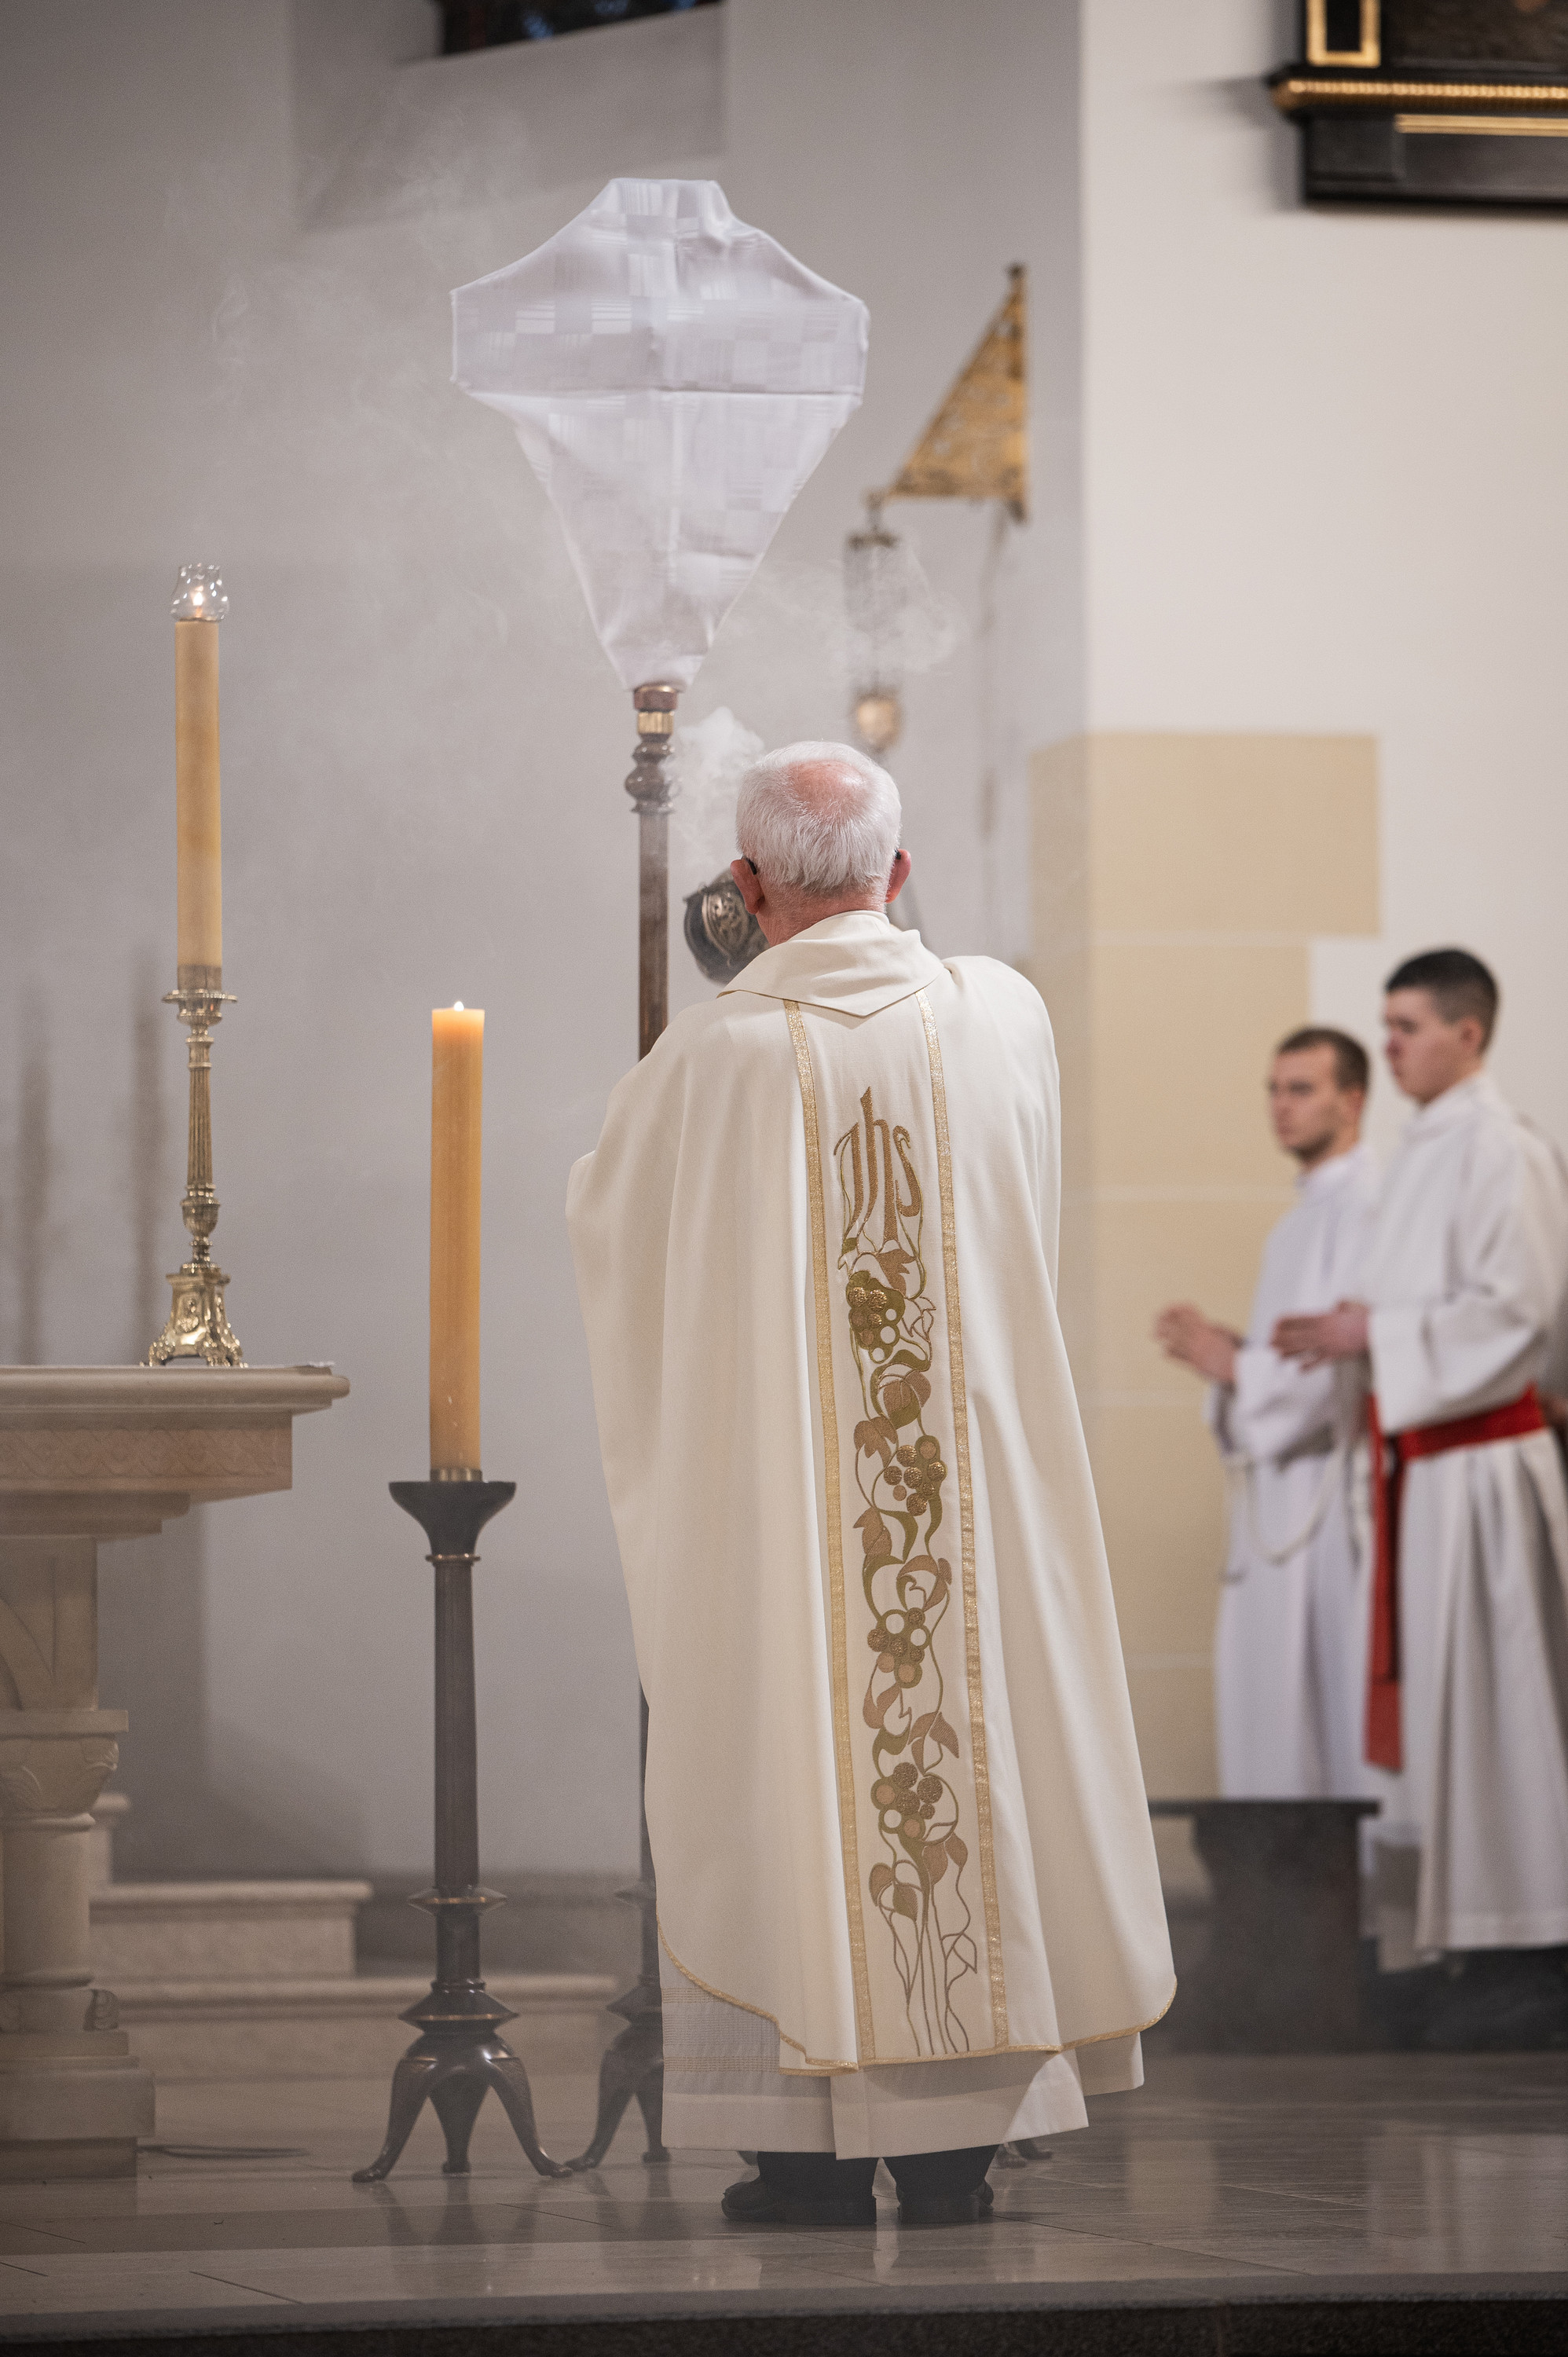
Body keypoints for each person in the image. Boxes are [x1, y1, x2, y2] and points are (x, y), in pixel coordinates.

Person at [567, 742, 1173, 2228]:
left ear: (745, 883)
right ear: (899, 873)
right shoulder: (1000, 1016)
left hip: (793, 1533)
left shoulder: (705, 1062)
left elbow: (618, 1234)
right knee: (969, 1757)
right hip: (963, 1517)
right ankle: (957, 2146)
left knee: (787, 1754)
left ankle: (800, 2156)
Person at [1274, 950, 1568, 2029]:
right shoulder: (1423, 1150)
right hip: (1420, 1474)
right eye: (1387, 1025)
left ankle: (1527, 1946)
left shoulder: (1501, 1147)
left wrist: (1375, 1334)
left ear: (1468, 1033)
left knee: (1499, 1708)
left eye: (1406, 1027)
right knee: (1440, 1719)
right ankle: (1453, 1943)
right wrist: (1359, 1331)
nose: (1389, 1045)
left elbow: (1518, 1310)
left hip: (1480, 1472)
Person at [1155, 1029, 1377, 1799]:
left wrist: (1234, 1367)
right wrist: (1232, 1358)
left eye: (1301, 1089)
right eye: (1274, 1090)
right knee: (1275, 1718)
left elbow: (1337, 1371)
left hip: (1329, 1498)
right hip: (1280, 1497)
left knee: (1326, 1717)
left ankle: (1337, 1873)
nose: (1280, 1107)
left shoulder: (1366, 1208)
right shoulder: (1297, 1223)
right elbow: (1292, 1356)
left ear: (1352, 1101)